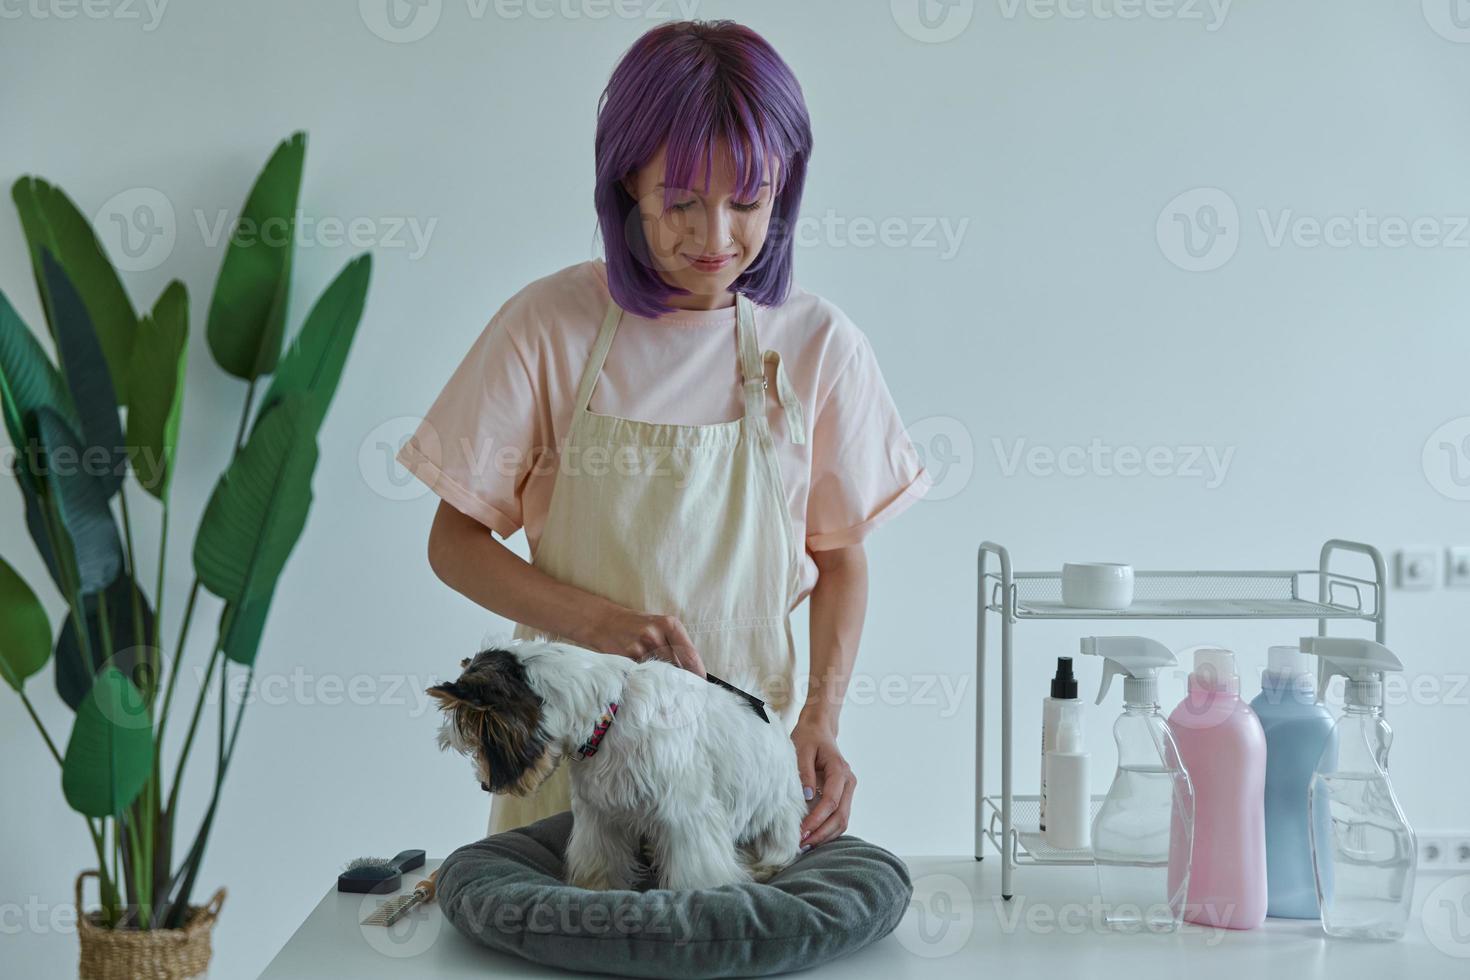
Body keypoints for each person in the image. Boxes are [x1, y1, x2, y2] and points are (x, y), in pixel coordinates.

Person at [397, 19, 929, 852]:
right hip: (572, 785)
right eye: (680, 202)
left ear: (783, 190)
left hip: (739, 773)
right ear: (625, 188)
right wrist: (597, 623)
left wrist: (820, 720)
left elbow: (841, 556)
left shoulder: (818, 346)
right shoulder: (549, 327)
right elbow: (453, 542)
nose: (716, 237)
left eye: (747, 202)